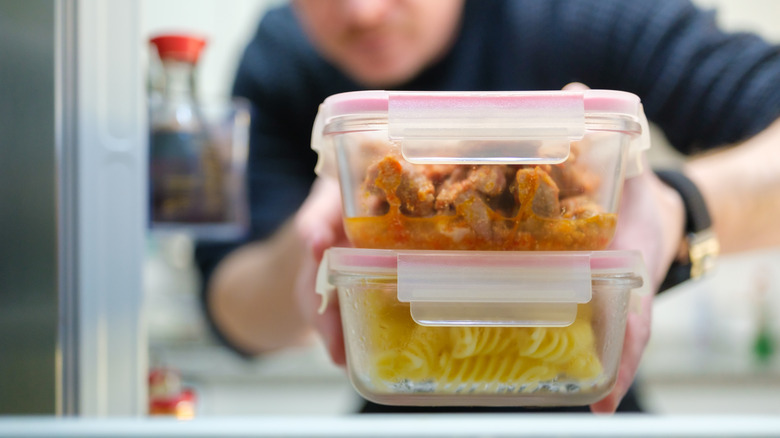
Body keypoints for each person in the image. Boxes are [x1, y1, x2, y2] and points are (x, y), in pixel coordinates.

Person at [195, 0, 780, 414]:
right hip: (401, 392)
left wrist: (679, 205)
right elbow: (228, 304)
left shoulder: (575, 12)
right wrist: (315, 245)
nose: (363, 11)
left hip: (589, 398)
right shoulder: (282, 55)